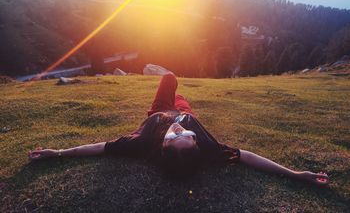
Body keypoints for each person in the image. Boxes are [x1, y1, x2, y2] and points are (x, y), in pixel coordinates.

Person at [28, 73, 329, 186]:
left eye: (176, 137)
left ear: (163, 146)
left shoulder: (141, 142)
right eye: (190, 137)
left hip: (158, 110)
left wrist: (58, 152)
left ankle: (170, 91)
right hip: (183, 109)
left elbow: (99, 148)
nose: (181, 131)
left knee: (168, 78)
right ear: (196, 147)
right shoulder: (206, 150)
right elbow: (248, 157)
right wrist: (295, 174)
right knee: (180, 98)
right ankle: (180, 96)